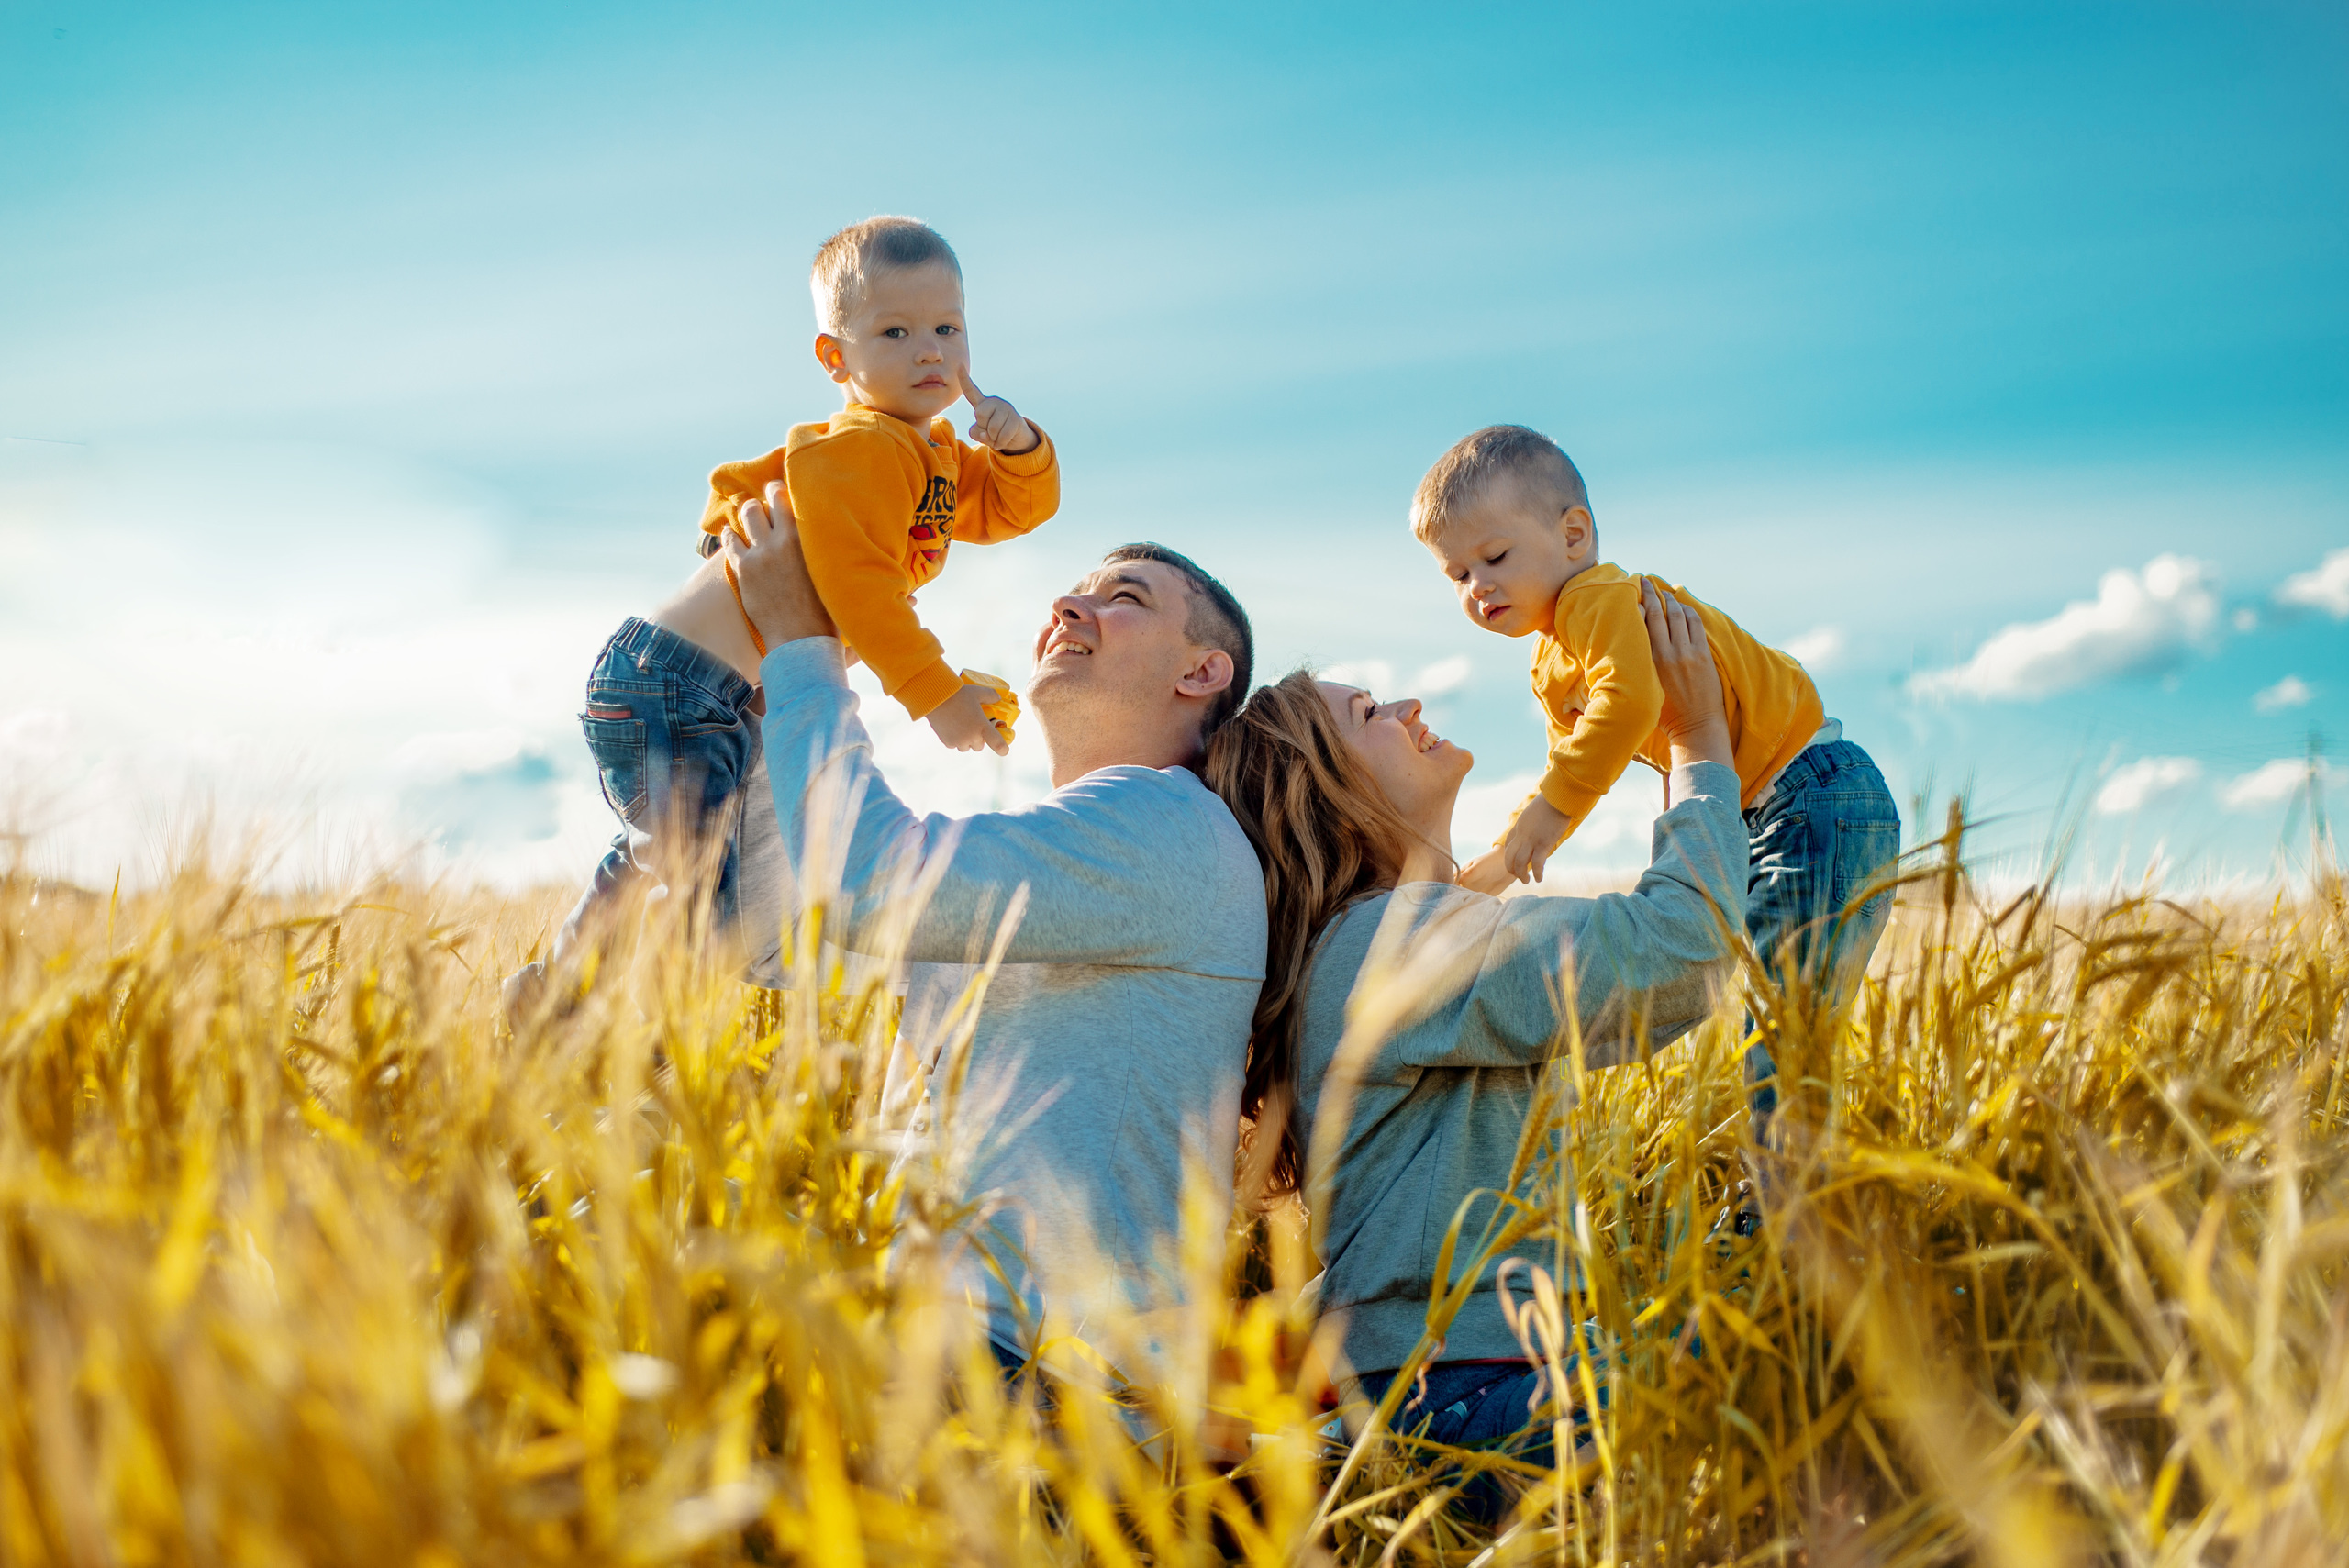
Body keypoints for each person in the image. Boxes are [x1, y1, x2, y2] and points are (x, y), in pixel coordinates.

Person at [1203, 582, 1745, 1504]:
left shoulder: (1359, 946)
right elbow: (1684, 953)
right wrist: (1696, 744)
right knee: (1797, 1343)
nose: (1407, 706)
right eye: (1367, 712)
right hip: (1480, 1396)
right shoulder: (1400, 940)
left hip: (1440, 1390)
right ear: (1326, 793)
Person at [719, 486, 1264, 1381]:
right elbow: (782, 940)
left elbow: (869, 885)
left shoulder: (1166, 826)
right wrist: (758, 691)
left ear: (1200, 672)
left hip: (1041, 1375)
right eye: (1075, 592)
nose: (1069, 606)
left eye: (1124, 598)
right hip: (969, 1348)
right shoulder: (1055, 851)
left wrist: (802, 649)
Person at [543, 216, 1055, 986]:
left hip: (706, 690)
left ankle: (553, 998)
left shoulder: (931, 451)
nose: (931, 350)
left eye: (949, 327)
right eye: (895, 331)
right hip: (678, 686)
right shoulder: (860, 452)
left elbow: (1011, 510)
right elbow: (861, 591)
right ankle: (650, 1064)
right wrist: (935, 692)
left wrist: (1017, 449)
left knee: (678, 857)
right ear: (835, 357)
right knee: (713, 904)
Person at [1410, 424, 1900, 1119]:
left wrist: (1546, 815)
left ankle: (1783, 1209)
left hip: (1811, 790)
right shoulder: (1552, 660)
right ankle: (1795, 1198)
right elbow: (1576, 764)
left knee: (1787, 1031)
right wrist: (1505, 859)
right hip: (1772, 809)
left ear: (1573, 536)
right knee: (1783, 1021)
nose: (1477, 585)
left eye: (1493, 556)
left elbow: (1630, 704)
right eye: (1457, 574)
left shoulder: (1597, 599)